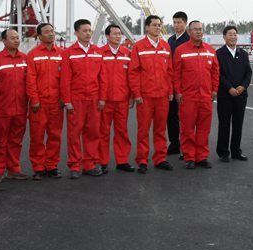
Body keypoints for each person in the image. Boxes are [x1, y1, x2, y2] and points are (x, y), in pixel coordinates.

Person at [128, 15, 174, 173]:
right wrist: (136, 94)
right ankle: (142, 160)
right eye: (154, 25)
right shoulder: (139, 47)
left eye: (159, 25)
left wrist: (170, 90)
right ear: (147, 27)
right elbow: (133, 72)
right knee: (143, 130)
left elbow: (170, 71)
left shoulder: (165, 47)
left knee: (160, 129)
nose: (157, 27)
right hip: (145, 96)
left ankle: (160, 158)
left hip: (162, 96)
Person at [173, 21, 219, 169]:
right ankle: (189, 157)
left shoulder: (210, 50)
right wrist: (178, 92)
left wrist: (214, 89)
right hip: (188, 97)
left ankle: (202, 157)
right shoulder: (181, 50)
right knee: (187, 128)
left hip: (205, 96)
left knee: (204, 128)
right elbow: (176, 73)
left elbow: (215, 72)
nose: (199, 32)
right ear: (189, 31)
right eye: (195, 29)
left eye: (200, 29)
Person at [61, 19, 103, 178]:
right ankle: (75, 166)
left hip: (94, 98)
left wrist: (102, 98)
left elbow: (102, 77)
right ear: (76, 33)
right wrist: (67, 101)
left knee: (93, 132)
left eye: (89, 30)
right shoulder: (69, 53)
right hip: (76, 99)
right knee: (74, 133)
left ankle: (89, 164)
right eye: (84, 31)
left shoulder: (97, 51)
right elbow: (65, 79)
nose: (88, 33)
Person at [0, 28, 29, 183]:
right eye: (12, 38)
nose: (16, 40)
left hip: (20, 108)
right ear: (4, 41)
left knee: (16, 141)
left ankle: (13, 169)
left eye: (17, 37)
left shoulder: (25, 59)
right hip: (2, 108)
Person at [26, 23, 64, 179]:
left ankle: (51, 165)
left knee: (55, 135)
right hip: (39, 103)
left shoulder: (62, 54)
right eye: (47, 32)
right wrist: (34, 100)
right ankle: (38, 167)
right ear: (39, 36)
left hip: (56, 102)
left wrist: (63, 98)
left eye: (52, 31)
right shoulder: (33, 55)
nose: (51, 34)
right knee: (37, 136)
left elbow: (65, 79)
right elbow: (30, 80)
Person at [98, 25, 134, 172]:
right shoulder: (99, 53)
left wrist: (131, 96)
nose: (118, 36)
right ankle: (102, 162)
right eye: (115, 34)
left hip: (122, 99)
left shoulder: (127, 53)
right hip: (105, 100)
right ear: (107, 36)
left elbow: (131, 76)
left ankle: (122, 161)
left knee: (122, 132)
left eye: (120, 34)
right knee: (103, 132)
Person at [215, 25, 252, 161]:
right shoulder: (219, 54)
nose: (233, 37)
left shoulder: (243, 54)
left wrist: (243, 86)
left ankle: (236, 151)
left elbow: (248, 72)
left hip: (241, 95)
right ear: (224, 37)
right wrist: (229, 87)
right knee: (224, 124)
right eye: (230, 34)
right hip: (225, 95)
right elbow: (218, 74)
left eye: (235, 34)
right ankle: (223, 152)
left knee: (238, 124)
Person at [166, 11, 189, 157]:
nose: (176, 25)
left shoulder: (189, 40)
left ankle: (186, 147)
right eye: (174, 22)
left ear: (185, 23)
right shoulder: (171, 40)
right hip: (171, 82)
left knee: (185, 117)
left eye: (179, 22)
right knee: (171, 115)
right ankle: (174, 143)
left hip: (184, 83)